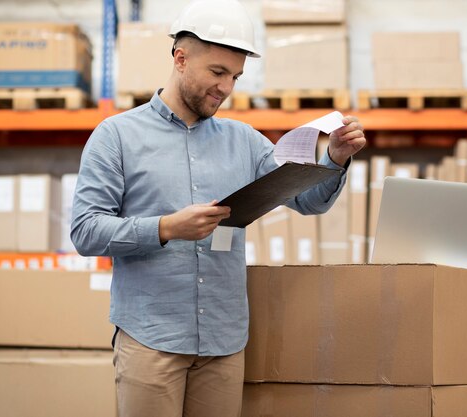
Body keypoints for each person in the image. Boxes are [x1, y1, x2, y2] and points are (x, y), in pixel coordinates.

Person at [70, 0, 365, 416]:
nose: (226, 88)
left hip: (223, 342)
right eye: (217, 73)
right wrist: (166, 227)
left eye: (235, 77)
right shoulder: (116, 136)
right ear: (180, 58)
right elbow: (85, 230)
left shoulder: (245, 141)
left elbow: (306, 200)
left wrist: (333, 159)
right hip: (150, 338)